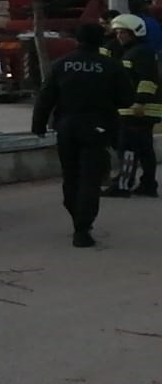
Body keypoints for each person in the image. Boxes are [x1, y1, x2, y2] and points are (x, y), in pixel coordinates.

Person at [32, 22, 135, 247]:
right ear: (101, 41)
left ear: (77, 40)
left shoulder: (61, 65)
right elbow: (127, 99)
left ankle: (76, 217)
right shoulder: (111, 66)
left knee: (71, 176)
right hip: (97, 130)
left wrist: (38, 126)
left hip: (67, 128)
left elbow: (45, 98)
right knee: (90, 179)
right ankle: (83, 227)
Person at [105, 13, 161, 198]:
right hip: (141, 108)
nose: (119, 36)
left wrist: (139, 101)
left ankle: (123, 184)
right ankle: (148, 184)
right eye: (118, 32)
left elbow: (148, 79)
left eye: (123, 32)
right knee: (144, 149)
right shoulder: (135, 51)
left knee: (127, 147)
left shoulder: (140, 53)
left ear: (135, 33)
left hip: (138, 109)